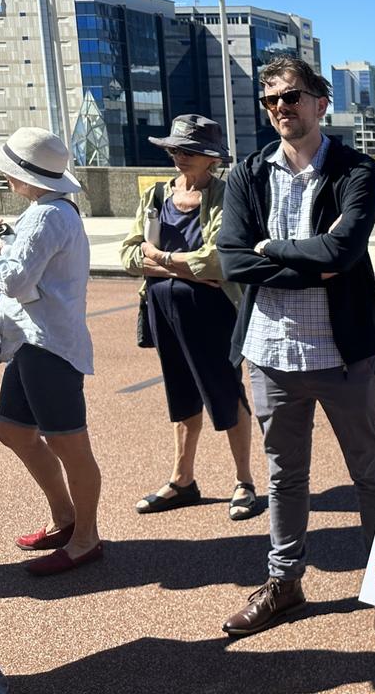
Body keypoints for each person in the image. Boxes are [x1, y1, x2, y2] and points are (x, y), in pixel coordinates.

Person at [215, 56, 375, 641]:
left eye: (292, 96)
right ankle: (285, 583)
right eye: (271, 100)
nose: (280, 108)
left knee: (370, 471)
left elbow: (343, 252)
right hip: (271, 353)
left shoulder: (356, 169)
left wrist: (272, 252)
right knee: (284, 476)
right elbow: (232, 258)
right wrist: (302, 260)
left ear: (321, 101)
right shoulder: (248, 174)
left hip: (343, 352)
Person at [119, 114, 258, 520]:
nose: (180, 156)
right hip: (163, 309)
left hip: (213, 312)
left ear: (211, 159)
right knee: (180, 393)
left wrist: (157, 257)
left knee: (225, 391)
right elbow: (128, 255)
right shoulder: (157, 196)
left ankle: (244, 481)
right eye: (176, 148)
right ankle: (183, 480)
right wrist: (172, 267)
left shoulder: (226, 195)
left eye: (190, 150)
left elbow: (217, 260)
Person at [0, 127, 103, 576]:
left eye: (9, 173)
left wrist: (2, 248)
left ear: (24, 177)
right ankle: (67, 520)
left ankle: (85, 538)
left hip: (48, 345)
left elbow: (15, 282)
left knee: (69, 444)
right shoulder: (53, 211)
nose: (5, 179)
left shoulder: (45, 216)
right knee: (12, 429)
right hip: (34, 341)